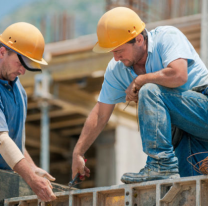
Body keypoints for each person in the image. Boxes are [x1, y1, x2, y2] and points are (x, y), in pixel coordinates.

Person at [72, 6, 208, 184]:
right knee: (190, 190)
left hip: (203, 110)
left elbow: (179, 75)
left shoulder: (167, 37)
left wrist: (141, 80)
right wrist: (78, 152)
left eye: (119, 50)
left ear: (138, 39)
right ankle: (165, 167)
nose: (115, 58)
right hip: (185, 135)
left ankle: (161, 165)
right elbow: (100, 112)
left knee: (149, 90)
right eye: (112, 52)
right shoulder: (117, 69)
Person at [0, 22, 56, 201]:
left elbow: (14, 142)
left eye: (27, 65)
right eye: (19, 62)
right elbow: (1, 140)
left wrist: (32, 168)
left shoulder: (20, 92)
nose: (23, 71)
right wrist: (31, 179)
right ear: (2, 52)